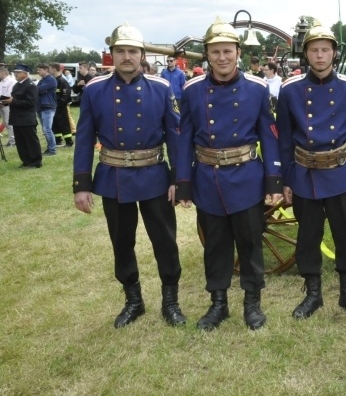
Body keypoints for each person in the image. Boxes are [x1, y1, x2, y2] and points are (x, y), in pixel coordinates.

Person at [72, 23, 186, 328]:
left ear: (142, 55)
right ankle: (133, 301)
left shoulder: (160, 88)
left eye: (132, 51)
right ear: (112, 55)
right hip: (114, 177)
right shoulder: (95, 89)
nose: (126, 57)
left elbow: (175, 135)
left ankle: (171, 302)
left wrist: (178, 178)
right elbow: (83, 139)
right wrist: (81, 185)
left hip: (155, 177)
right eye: (120, 51)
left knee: (165, 241)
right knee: (121, 242)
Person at [177, 16, 282, 331]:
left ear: (238, 52)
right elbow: (184, 138)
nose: (222, 58)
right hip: (208, 179)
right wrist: (183, 183)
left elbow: (269, 136)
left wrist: (274, 180)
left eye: (228, 51)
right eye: (215, 52)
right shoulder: (192, 90)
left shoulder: (257, 88)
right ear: (207, 55)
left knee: (250, 243)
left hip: (247, 177)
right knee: (216, 246)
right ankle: (218, 304)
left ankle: (253, 303)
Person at [277, 23, 346, 319]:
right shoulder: (289, 90)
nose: (320, 55)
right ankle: (313, 294)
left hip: (342, 173)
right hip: (305, 175)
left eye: (325, 50)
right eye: (314, 50)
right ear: (306, 54)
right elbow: (285, 138)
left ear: (334, 53)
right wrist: (287, 179)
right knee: (308, 236)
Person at [2, 64, 42, 167]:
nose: (15, 74)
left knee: (30, 140)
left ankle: (35, 161)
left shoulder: (31, 86)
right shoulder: (17, 85)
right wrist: (5, 102)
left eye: (18, 72)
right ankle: (26, 160)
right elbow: (14, 99)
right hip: (16, 118)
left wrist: (13, 101)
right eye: (15, 72)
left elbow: (30, 102)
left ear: (25, 73)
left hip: (26, 118)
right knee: (20, 142)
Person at [36, 63, 58, 156]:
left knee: (47, 129)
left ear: (46, 70)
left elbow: (39, 90)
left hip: (48, 107)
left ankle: (52, 150)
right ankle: (50, 148)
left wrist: (36, 89)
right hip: (41, 106)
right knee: (45, 129)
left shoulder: (51, 79)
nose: (38, 71)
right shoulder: (43, 80)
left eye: (40, 70)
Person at [50, 63, 74, 147]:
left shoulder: (62, 81)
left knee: (64, 124)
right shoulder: (53, 80)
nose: (49, 70)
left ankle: (69, 142)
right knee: (55, 124)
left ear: (54, 69)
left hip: (61, 107)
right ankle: (58, 140)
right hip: (54, 107)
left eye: (50, 68)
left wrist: (60, 104)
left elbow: (66, 95)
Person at [0, 64, 15, 146]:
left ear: (2, 73)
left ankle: (13, 141)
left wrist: (2, 103)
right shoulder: (1, 82)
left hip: (7, 105)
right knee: (5, 122)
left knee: (9, 122)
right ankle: (10, 140)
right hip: (1, 104)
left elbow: (9, 94)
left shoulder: (11, 81)